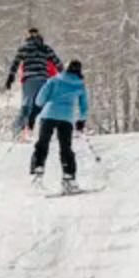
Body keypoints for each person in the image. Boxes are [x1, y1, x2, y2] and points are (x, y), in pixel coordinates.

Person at [29, 59, 89, 189]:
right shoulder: (80, 85)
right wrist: (81, 121)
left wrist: (40, 105)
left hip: (48, 114)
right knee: (65, 147)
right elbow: (84, 106)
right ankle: (69, 177)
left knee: (42, 142)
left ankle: (38, 168)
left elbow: (39, 100)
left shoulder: (54, 80)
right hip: (66, 117)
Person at [6, 27, 60, 134]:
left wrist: (10, 77)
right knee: (42, 105)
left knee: (27, 105)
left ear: (29, 36)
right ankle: (42, 130)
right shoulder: (45, 48)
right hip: (43, 80)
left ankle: (18, 130)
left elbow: (16, 63)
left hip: (29, 80)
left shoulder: (24, 48)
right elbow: (57, 62)